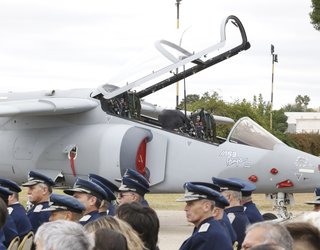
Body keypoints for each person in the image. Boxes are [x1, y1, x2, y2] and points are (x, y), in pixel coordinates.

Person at [176, 182, 233, 250]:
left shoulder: (205, 236)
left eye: (190, 204)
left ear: (206, 206)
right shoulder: (211, 229)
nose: (185, 209)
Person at [212, 177, 250, 250]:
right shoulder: (240, 214)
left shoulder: (229, 217)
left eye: (218, 194)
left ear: (228, 197)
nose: (215, 198)